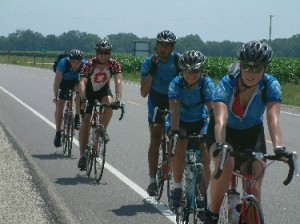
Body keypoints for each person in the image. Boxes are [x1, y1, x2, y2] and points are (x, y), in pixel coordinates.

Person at [205, 40, 285, 223]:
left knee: (255, 177)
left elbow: (273, 119)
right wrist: (220, 144)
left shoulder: (270, 85)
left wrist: (279, 147)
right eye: (247, 68)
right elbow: (220, 120)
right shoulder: (228, 83)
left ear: (264, 69)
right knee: (226, 164)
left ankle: (251, 215)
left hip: (251, 133)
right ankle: (212, 214)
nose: (251, 73)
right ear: (240, 66)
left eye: (257, 69)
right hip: (224, 131)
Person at [168, 50, 215, 210]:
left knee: (206, 156)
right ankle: (177, 186)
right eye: (188, 71)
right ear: (182, 71)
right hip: (180, 121)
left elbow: (211, 109)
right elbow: (174, 110)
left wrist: (216, 129)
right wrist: (174, 131)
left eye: (195, 71)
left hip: (199, 121)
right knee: (180, 143)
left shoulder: (206, 83)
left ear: (201, 71)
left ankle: (202, 196)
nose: (191, 75)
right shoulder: (176, 83)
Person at [140, 30, 181, 196]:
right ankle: (152, 180)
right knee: (156, 137)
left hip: (175, 98)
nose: (163, 48)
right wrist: (152, 70)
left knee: (177, 136)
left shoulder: (178, 60)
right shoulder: (148, 62)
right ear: (156, 45)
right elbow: (143, 92)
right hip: (156, 99)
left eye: (167, 45)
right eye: (160, 44)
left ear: (172, 47)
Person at [77, 39, 122, 170]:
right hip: (89, 91)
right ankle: (82, 156)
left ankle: (102, 129)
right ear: (96, 53)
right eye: (101, 52)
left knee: (109, 103)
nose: (103, 55)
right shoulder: (89, 64)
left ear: (110, 53)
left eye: (106, 52)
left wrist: (118, 100)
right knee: (86, 121)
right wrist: (84, 98)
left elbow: (119, 82)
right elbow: (82, 83)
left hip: (102, 90)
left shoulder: (114, 64)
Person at [53, 49, 84, 147]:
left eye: (78, 62)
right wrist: (55, 95)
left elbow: (85, 82)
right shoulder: (63, 64)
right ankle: (58, 133)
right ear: (69, 60)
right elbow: (57, 82)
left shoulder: (84, 65)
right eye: (73, 62)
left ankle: (77, 117)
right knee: (60, 105)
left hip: (75, 81)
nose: (76, 64)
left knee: (80, 90)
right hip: (63, 82)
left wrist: (84, 97)